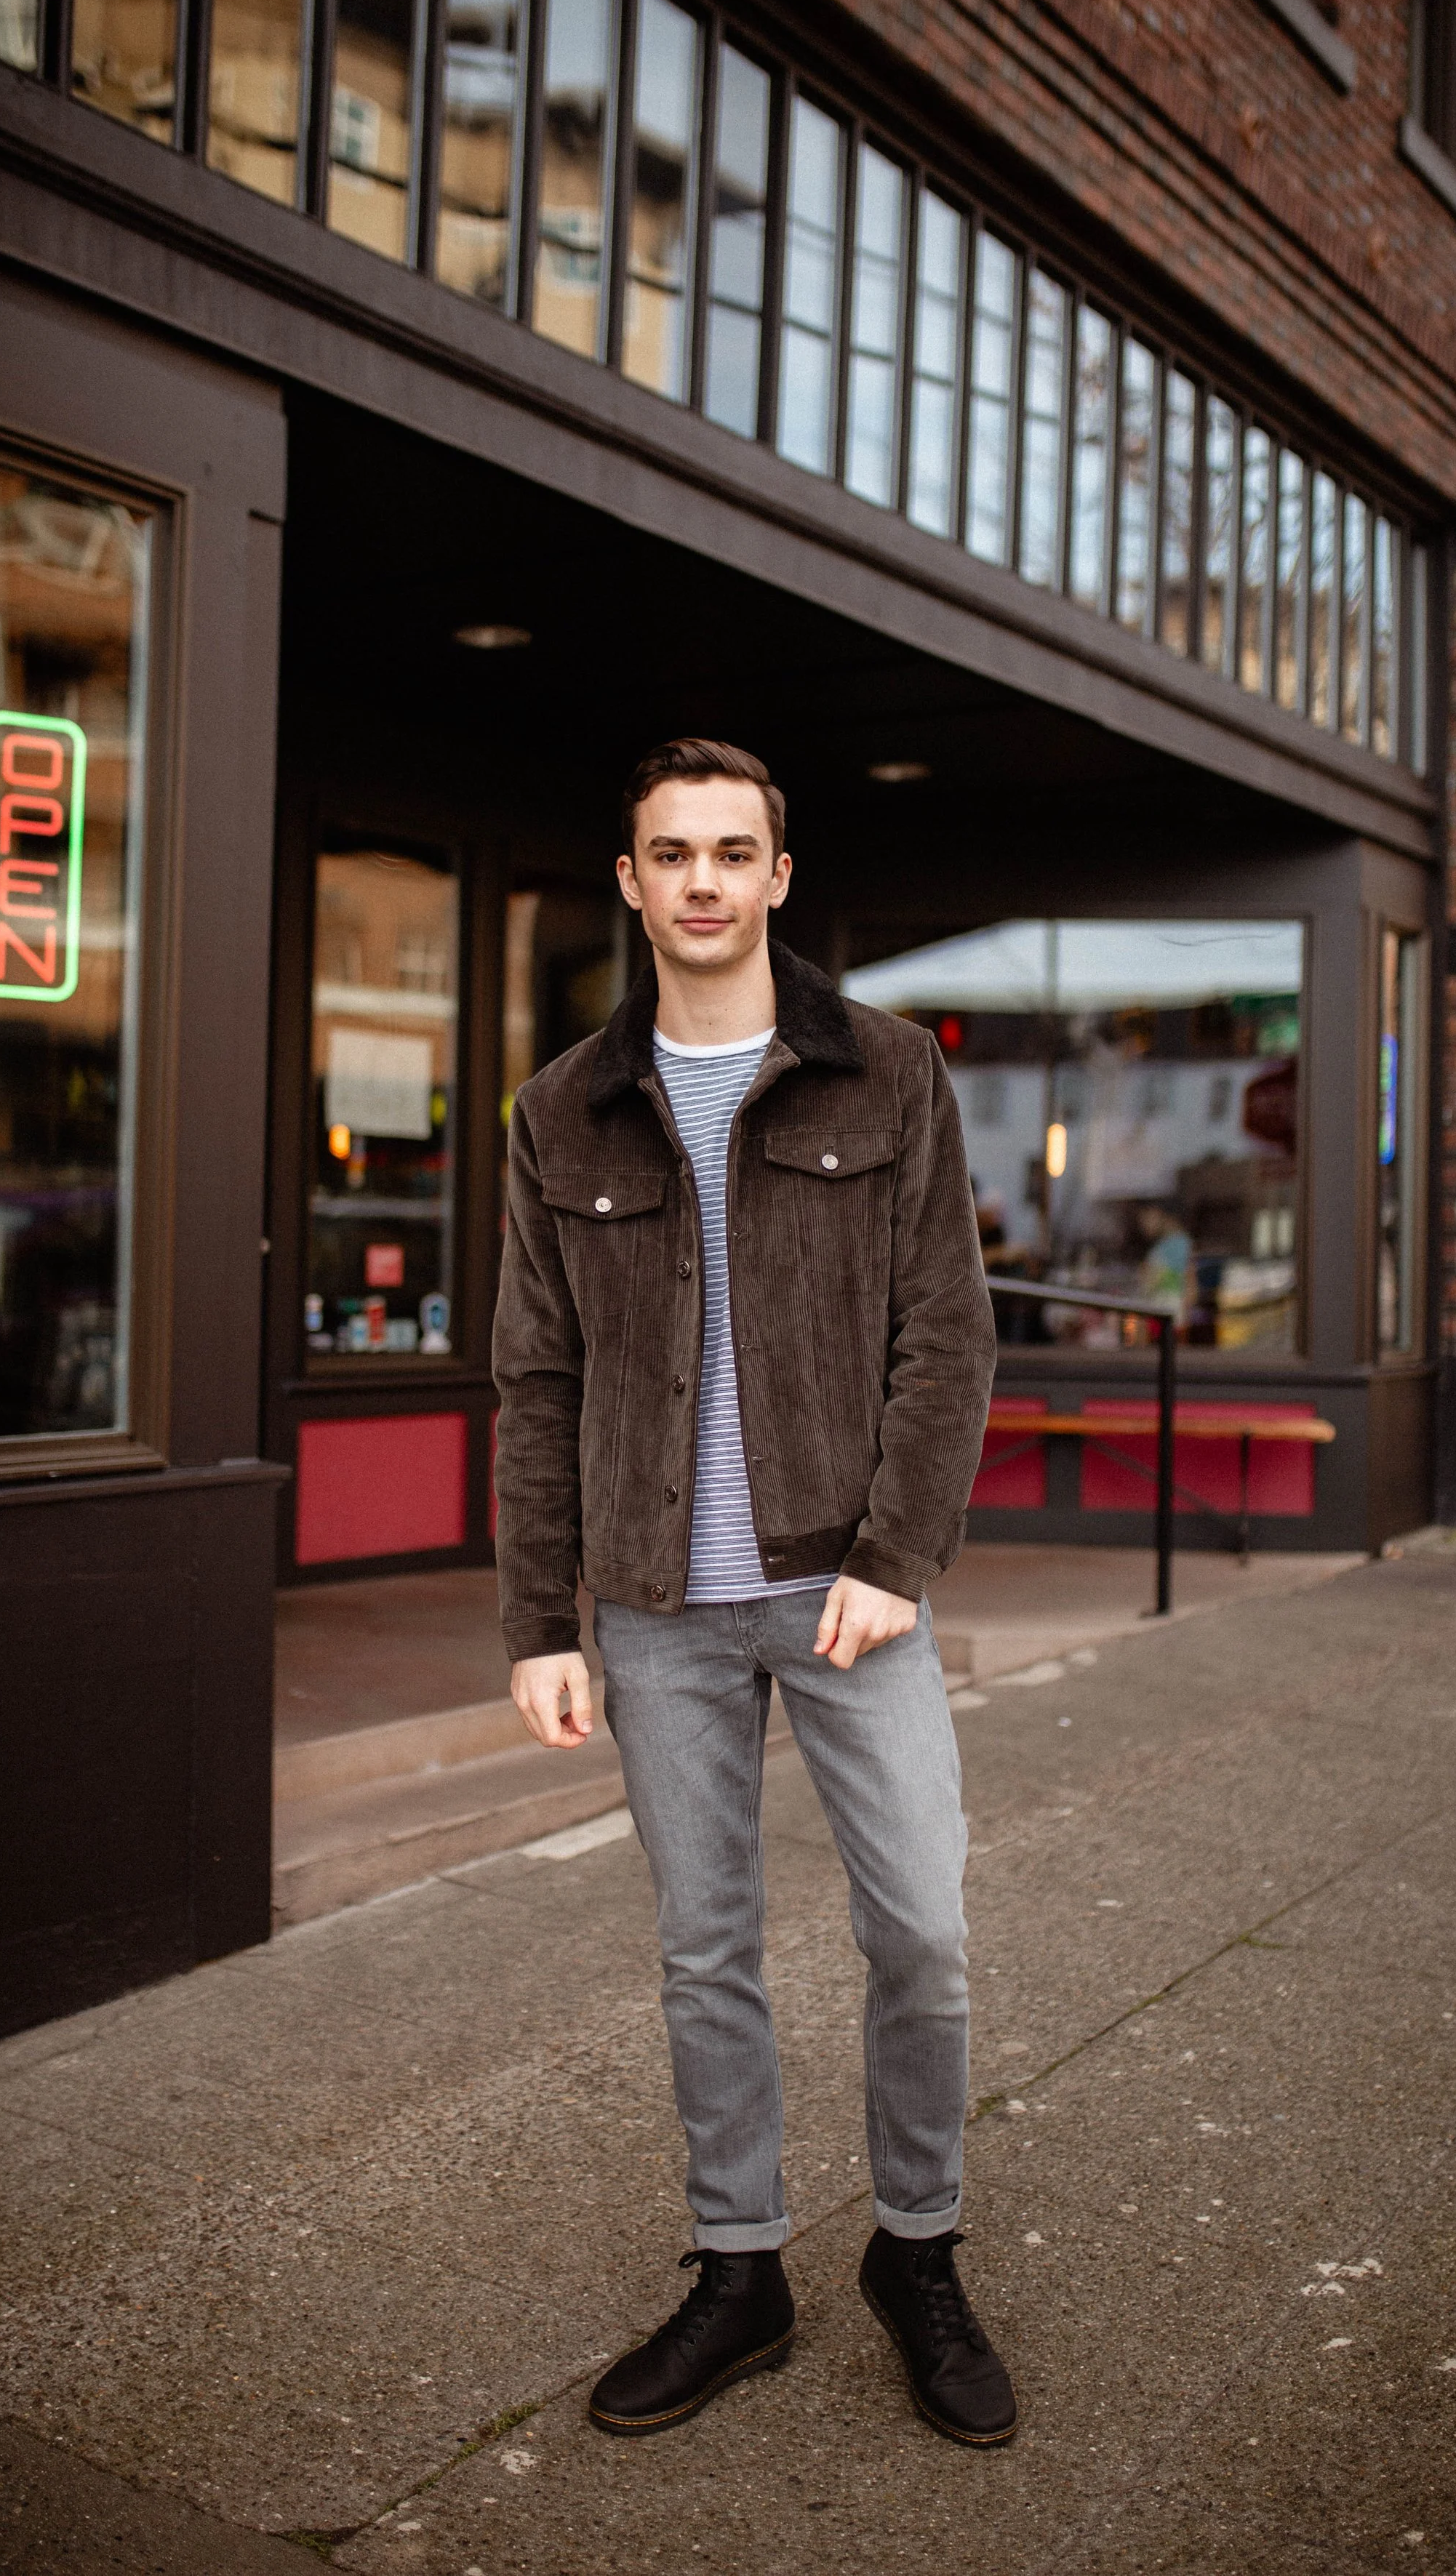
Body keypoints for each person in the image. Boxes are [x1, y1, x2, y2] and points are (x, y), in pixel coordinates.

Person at [492, 738, 1014, 2447]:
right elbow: (538, 1381)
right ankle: (741, 2270)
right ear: (629, 882)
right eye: (671, 854)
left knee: (919, 1938)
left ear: (777, 877)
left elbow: (946, 1334)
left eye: (735, 851)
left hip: (848, 1590)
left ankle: (915, 2253)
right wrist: (539, 1624)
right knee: (703, 1950)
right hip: (650, 1607)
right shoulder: (558, 1107)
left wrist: (893, 1555)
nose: (704, 880)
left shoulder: (885, 1072)